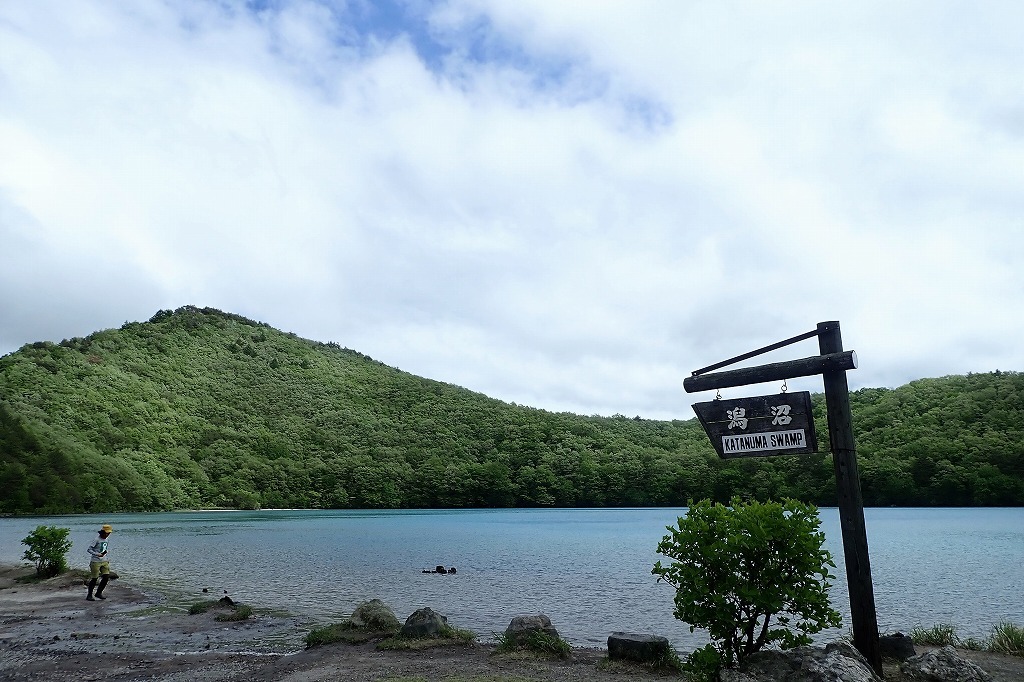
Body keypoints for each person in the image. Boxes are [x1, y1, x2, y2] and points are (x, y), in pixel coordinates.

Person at [86, 524, 114, 601]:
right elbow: (89, 549)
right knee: (94, 579)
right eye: (106, 533)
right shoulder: (96, 539)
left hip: (104, 561)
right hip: (95, 561)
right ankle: (89, 595)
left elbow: (103, 549)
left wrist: (105, 556)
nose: (107, 535)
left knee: (106, 577)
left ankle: (98, 593)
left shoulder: (107, 539)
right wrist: (97, 554)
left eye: (109, 533)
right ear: (102, 532)